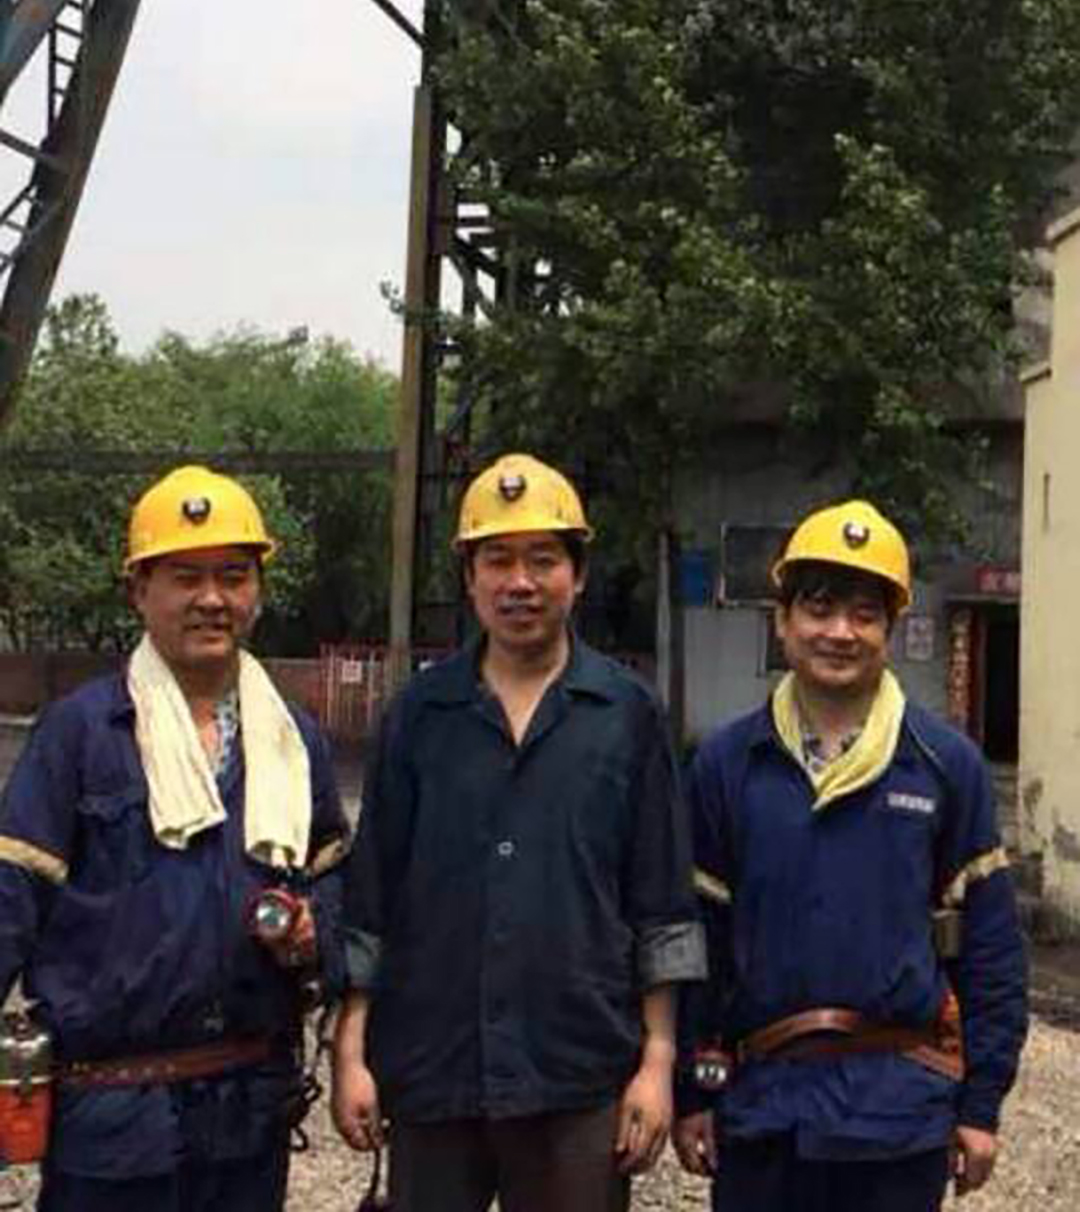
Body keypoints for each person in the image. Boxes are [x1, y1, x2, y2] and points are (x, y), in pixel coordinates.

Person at [333, 452, 704, 1212]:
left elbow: (661, 901)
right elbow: (373, 892)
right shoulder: (420, 715)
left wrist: (658, 1061)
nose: (520, 582)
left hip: (577, 1068)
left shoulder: (626, 716)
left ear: (579, 575)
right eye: (497, 560)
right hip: (435, 1064)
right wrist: (352, 1046)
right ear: (469, 578)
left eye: (543, 560)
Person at [0, 464, 348, 1212]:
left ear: (258, 592)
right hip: (111, 1120)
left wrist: (316, 931)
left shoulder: (292, 742)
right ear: (139, 590)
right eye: (186, 577)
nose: (212, 599)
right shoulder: (81, 734)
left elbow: (337, 884)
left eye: (233, 576)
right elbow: (10, 899)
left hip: (250, 1109)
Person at [674, 498, 1027, 1212]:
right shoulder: (727, 764)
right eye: (819, 608)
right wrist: (692, 1092)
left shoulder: (944, 765)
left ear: (889, 630)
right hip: (764, 1112)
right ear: (782, 620)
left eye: (865, 614)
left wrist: (980, 1105)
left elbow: (990, 950)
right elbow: (696, 942)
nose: (840, 631)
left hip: (898, 1119)